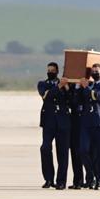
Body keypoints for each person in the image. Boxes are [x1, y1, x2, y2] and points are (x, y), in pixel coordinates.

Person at [77, 63, 100, 190]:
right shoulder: (88, 86)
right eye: (93, 71)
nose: (95, 73)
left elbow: (96, 96)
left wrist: (86, 87)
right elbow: (78, 100)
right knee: (83, 149)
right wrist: (79, 87)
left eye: (97, 71)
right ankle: (91, 175)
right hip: (87, 122)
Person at [37, 62, 71, 190]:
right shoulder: (42, 84)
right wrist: (59, 87)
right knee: (45, 148)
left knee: (62, 152)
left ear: (57, 71)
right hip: (48, 121)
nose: (50, 72)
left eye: (52, 70)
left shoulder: (66, 84)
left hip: (63, 121)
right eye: (48, 70)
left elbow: (71, 99)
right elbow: (46, 96)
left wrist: (66, 87)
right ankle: (48, 178)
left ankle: (61, 181)